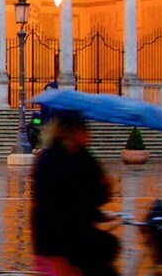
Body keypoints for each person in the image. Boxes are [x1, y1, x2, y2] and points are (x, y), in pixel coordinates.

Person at [31, 112, 119, 276]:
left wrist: (98, 214)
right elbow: (79, 198)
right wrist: (105, 186)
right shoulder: (64, 159)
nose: (88, 135)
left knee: (107, 246)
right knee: (107, 247)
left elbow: (78, 199)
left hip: (56, 236)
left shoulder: (58, 156)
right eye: (84, 130)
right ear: (72, 131)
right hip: (61, 239)